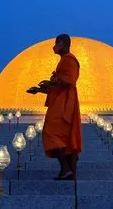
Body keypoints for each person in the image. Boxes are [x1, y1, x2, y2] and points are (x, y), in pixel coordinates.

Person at [27, 34, 82, 180]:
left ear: (63, 44)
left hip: (64, 104)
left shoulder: (69, 60)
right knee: (61, 136)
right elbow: (59, 85)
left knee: (51, 133)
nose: (54, 47)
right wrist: (39, 90)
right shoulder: (63, 61)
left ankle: (66, 169)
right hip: (59, 101)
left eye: (56, 43)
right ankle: (68, 171)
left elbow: (69, 82)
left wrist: (50, 83)